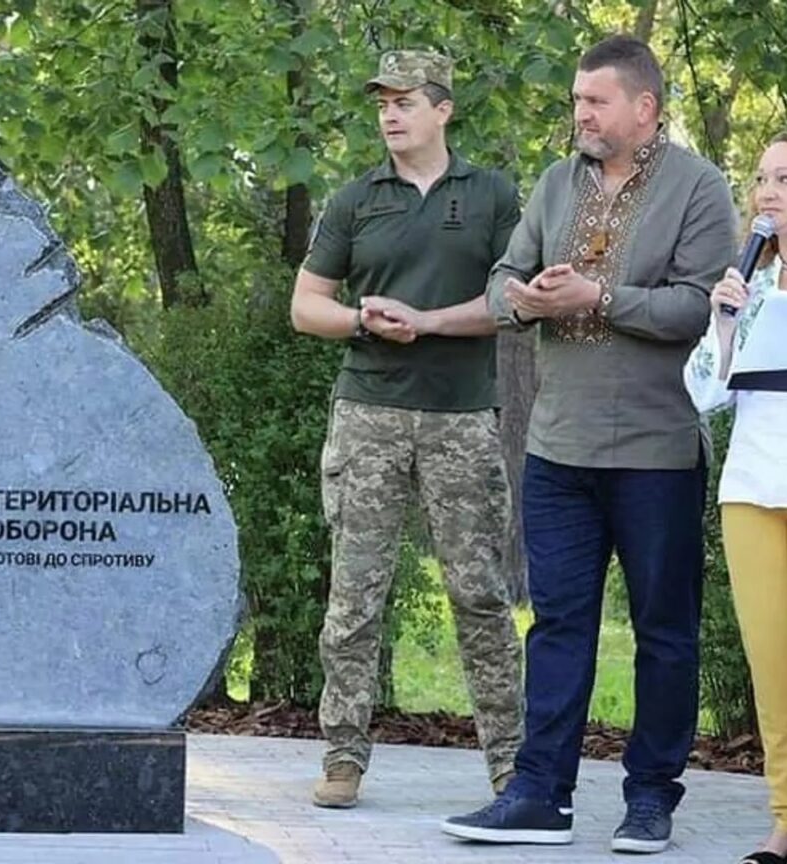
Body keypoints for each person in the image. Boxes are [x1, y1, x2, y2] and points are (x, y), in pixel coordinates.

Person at [441, 35, 738, 853]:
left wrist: (597, 297)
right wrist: (525, 298)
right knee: (557, 625)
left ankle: (650, 799)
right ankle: (540, 795)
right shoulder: (555, 183)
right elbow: (502, 279)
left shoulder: (699, 188)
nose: (581, 114)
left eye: (596, 101)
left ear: (645, 108)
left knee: (664, 633)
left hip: (656, 451)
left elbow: (698, 309)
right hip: (556, 449)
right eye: (577, 100)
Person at [289, 49, 524, 810]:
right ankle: (342, 758)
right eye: (382, 104)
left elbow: (511, 301)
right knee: (354, 599)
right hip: (369, 414)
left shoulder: (491, 195)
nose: (390, 115)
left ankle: (511, 766)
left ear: (443, 108)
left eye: (405, 101)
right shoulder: (356, 200)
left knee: (481, 597)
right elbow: (306, 306)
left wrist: (427, 322)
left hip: (462, 418)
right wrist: (363, 319)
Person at [683, 131, 787, 864]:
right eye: (761, 178)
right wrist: (723, 322)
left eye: (784, 178)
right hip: (753, 490)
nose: (767, 192)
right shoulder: (747, 289)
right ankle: (786, 818)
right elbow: (703, 393)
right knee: (774, 665)